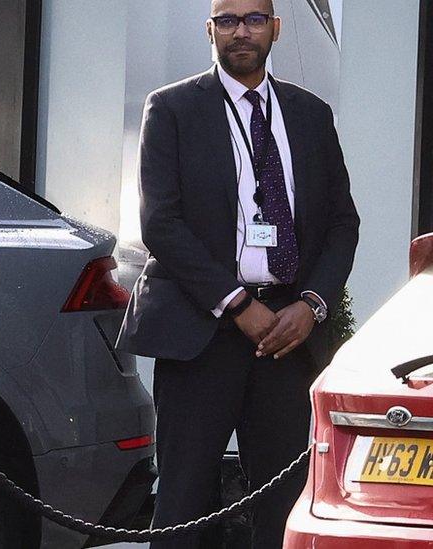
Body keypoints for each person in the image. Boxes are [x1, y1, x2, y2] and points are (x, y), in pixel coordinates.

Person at [117, 0, 359, 547]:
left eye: (254, 19)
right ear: (210, 31)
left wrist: (312, 304)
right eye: (226, 20)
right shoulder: (172, 108)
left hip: (288, 336)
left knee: (289, 500)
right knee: (184, 503)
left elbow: (342, 224)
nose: (240, 31)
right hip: (202, 333)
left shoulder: (311, 115)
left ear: (275, 28)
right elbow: (161, 222)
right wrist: (237, 305)